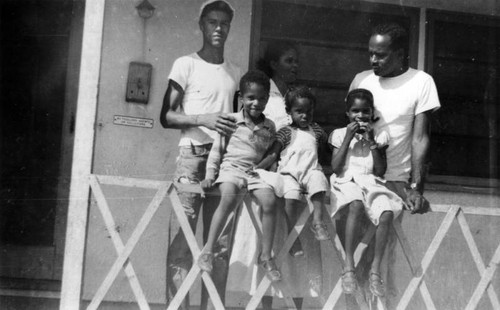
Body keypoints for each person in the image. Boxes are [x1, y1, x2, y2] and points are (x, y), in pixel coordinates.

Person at [348, 23, 440, 306]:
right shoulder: (361, 80)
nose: (373, 60)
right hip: (357, 179)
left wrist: (415, 185)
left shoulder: (421, 81)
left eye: (381, 55)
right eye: (371, 54)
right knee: (352, 263)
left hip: (393, 183)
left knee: (383, 263)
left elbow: (420, 137)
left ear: (400, 53)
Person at [227, 42, 324, 310]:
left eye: (296, 61)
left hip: (294, 181)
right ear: (273, 64)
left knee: (295, 249)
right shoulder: (262, 94)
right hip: (269, 179)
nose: (295, 66)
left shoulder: (293, 96)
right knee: (267, 248)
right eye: (289, 60)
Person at [159, 1, 241, 309]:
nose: (218, 28)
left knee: (218, 245)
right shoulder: (186, 64)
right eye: (212, 22)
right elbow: (166, 116)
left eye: (224, 23)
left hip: (224, 162)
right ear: (201, 25)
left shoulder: (235, 72)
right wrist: (202, 119)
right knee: (183, 241)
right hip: (192, 158)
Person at [198, 70, 281, 283]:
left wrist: (268, 173)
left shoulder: (269, 126)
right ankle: (207, 250)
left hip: (255, 173)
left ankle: (266, 255)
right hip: (231, 169)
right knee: (228, 196)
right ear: (241, 98)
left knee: (270, 202)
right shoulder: (230, 120)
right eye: (251, 98)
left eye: (262, 98)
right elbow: (217, 150)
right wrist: (210, 175)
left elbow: (270, 154)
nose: (256, 103)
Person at [329, 88, 404, 297]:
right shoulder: (338, 134)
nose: (360, 116)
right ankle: (349, 265)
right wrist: (348, 138)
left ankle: (375, 270)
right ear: (348, 114)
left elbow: (380, 170)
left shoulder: (379, 135)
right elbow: (335, 167)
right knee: (355, 204)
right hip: (346, 180)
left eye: (365, 111)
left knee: (387, 212)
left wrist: (371, 142)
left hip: (371, 182)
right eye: (355, 111)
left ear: (372, 113)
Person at [255, 85, 330, 243]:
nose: (304, 116)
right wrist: (258, 167)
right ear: (289, 111)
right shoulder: (285, 132)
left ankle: (317, 222)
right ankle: (292, 237)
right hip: (290, 175)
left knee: (319, 180)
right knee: (291, 197)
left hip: (310, 172)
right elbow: (273, 154)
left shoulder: (316, 130)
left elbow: (325, 149)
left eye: (308, 111)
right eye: (299, 111)